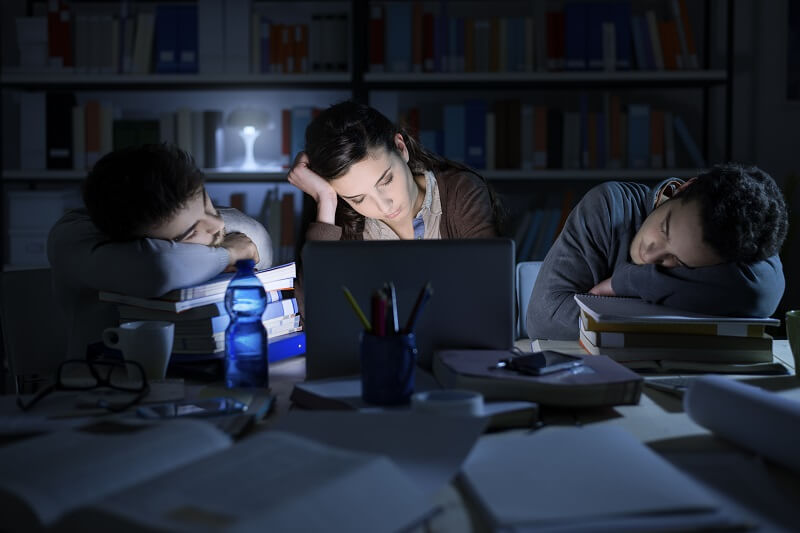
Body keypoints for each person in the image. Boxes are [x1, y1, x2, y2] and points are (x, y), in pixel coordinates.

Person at [48, 143, 272, 360]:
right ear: (136, 241)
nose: (217, 224)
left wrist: (221, 240)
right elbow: (159, 266)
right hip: (102, 381)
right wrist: (229, 254)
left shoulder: (185, 213)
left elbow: (257, 238)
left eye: (206, 203)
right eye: (191, 233)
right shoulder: (72, 238)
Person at [526, 163, 788, 340]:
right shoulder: (609, 207)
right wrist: (680, 323)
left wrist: (627, 282)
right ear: (681, 189)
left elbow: (759, 293)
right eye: (664, 229)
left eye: (676, 263)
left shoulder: (733, 243)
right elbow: (543, 319)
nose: (650, 257)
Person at [287, 100, 503, 241]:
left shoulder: (459, 192)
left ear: (401, 148)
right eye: (359, 199)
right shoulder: (346, 222)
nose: (384, 205)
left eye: (386, 180)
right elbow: (312, 304)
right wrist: (325, 200)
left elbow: (491, 287)